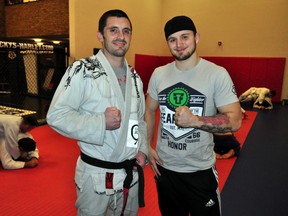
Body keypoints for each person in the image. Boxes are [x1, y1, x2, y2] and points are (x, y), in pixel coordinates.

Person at [46, 9, 148, 216]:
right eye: (114, 30)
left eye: (126, 31)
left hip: (130, 173)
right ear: (101, 36)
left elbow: (139, 120)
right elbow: (56, 115)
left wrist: (142, 149)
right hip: (96, 174)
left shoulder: (136, 78)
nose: (121, 37)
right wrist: (101, 122)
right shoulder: (82, 70)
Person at [145, 16, 242, 216]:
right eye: (172, 40)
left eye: (185, 37)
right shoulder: (159, 74)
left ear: (196, 37)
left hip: (200, 171)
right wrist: (146, 145)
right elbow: (149, 109)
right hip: (165, 170)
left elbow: (235, 120)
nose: (179, 45)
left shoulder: (216, 74)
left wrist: (195, 121)